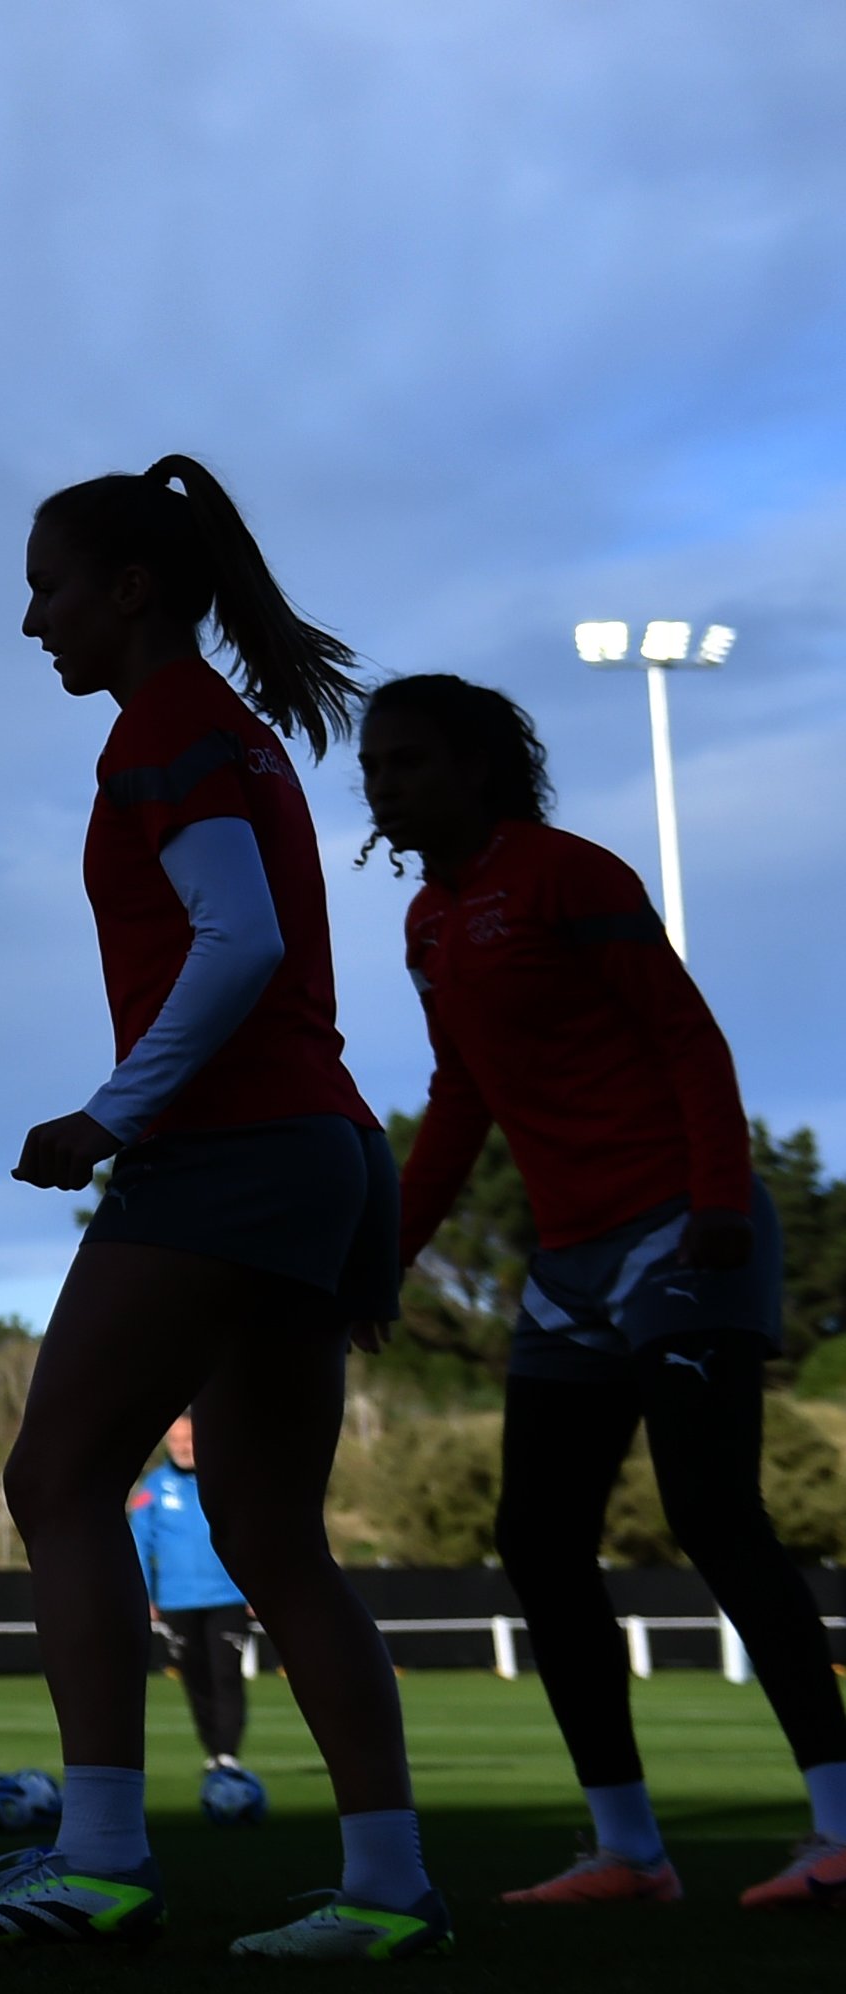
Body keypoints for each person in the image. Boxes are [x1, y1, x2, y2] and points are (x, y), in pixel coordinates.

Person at [0, 459, 447, 1960]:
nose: (30, 621)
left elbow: (237, 940)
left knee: (55, 1479)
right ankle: (389, 1889)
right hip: (321, 1150)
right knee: (272, 1535)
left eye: (47, 586)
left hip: (232, 1148)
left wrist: (109, 1113)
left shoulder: (166, 731)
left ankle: (95, 1860)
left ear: (128, 590)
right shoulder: (240, 735)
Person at [358, 671, 846, 1911]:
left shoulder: (575, 873)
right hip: (567, 1263)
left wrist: (723, 1210)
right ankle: (628, 1853)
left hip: (682, 1229)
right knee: (535, 1538)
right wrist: (387, 1254)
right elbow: (461, 1097)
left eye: (408, 760)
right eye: (374, 763)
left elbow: (690, 1038)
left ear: (478, 766)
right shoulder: (424, 924)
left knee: (713, 1514)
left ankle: (841, 1825)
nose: (382, 783)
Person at [128, 1414, 252, 1775]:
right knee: (196, 1678)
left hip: (227, 1596)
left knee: (227, 1675)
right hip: (176, 1601)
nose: (183, 1447)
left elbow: (252, 1535)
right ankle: (213, 1751)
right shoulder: (152, 1488)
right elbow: (139, 1543)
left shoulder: (229, 1482)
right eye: (176, 1441)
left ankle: (228, 1754)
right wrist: (144, 1594)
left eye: (190, 1440)